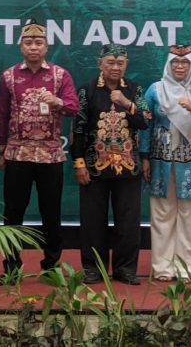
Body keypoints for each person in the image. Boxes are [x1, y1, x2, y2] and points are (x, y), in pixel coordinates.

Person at [0, 21, 78, 280]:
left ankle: (51, 266)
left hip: (50, 155)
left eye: (38, 43)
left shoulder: (60, 75)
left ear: (46, 47)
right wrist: (1, 149)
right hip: (17, 154)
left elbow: (73, 107)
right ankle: (11, 267)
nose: (33, 47)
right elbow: (2, 113)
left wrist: (57, 101)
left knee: (51, 213)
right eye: (28, 43)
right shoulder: (9, 76)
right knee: (13, 213)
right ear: (21, 46)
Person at [71, 43, 150, 285]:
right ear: (100, 64)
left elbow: (145, 121)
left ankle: (125, 269)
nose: (115, 67)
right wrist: (79, 163)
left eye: (120, 63)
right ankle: (93, 268)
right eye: (110, 63)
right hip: (94, 167)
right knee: (92, 221)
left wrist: (127, 104)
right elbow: (78, 128)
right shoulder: (87, 90)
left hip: (128, 166)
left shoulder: (134, 89)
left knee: (128, 221)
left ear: (126, 65)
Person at [141, 44, 191, 281]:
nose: (180, 66)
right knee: (162, 215)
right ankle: (163, 268)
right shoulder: (155, 90)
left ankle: (190, 268)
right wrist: (144, 157)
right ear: (168, 64)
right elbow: (145, 124)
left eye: (185, 63)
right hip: (160, 162)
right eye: (175, 62)